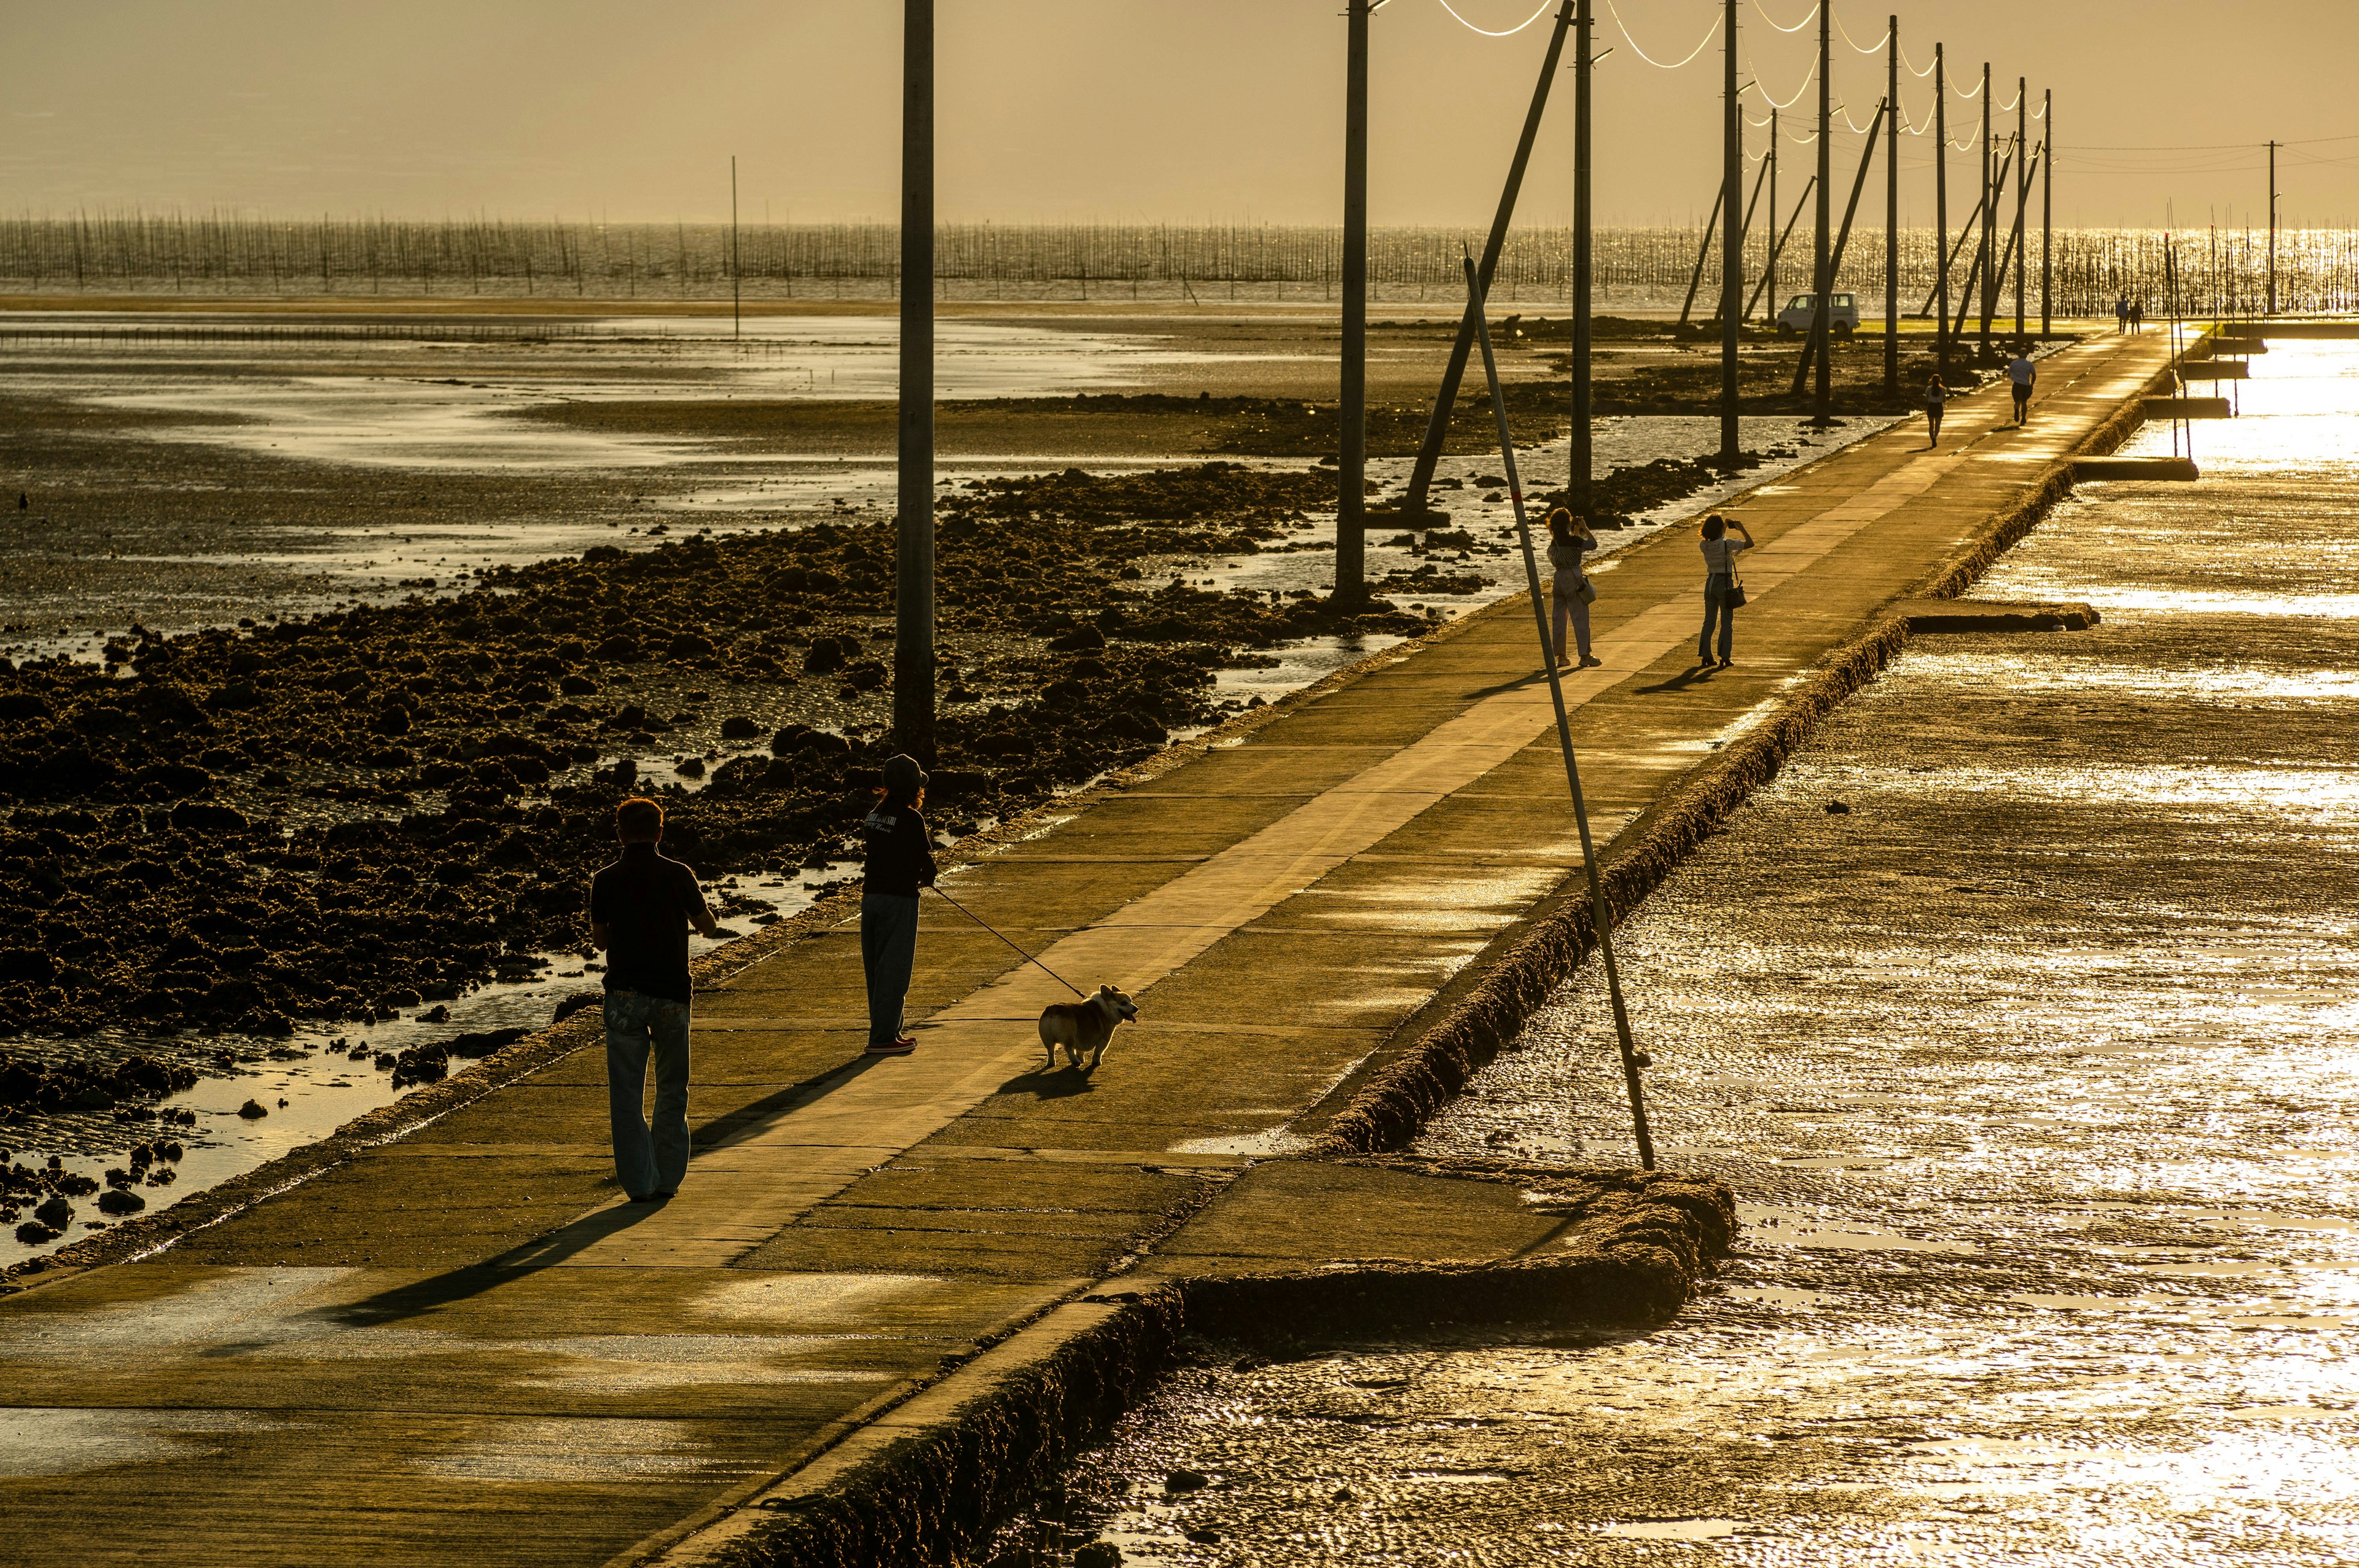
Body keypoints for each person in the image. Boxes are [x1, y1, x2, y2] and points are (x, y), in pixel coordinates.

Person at [590, 795, 721, 1203]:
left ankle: (639, 1182)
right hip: (671, 993)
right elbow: (707, 926)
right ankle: (668, 1176)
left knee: (627, 1094)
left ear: (620, 834)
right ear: (660, 832)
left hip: (625, 993)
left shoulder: (605, 879)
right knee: (672, 1086)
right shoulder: (678, 873)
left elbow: (598, 941)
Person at [859, 753, 936, 1058]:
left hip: (871, 898)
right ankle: (882, 1038)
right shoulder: (911, 818)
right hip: (899, 901)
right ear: (914, 789)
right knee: (895, 969)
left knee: (877, 969)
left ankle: (890, 1030)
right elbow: (924, 863)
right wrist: (927, 878)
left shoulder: (874, 815)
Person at [1544, 507, 1599, 670]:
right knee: (1580, 617)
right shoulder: (1573, 542)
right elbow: (1593, 545)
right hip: (1573, 576)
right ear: (1566, 524)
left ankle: (1561, 657)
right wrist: (1583, 527)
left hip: (1559, 577)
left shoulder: (1556, 542)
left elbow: (1573, 548)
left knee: (1559, 619)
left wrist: (1575, 529)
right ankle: (1585, 655)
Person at [1697, 513, 1753, 669]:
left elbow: (1716, 539)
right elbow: (1750, 544)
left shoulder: (1704, 545)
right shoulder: (1727, 545)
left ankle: (1705, 655)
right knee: (1726, 622)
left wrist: (1723, 526)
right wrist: (1741, 528)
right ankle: (1725, 656)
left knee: (1709, 621)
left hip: (1710, 583)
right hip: (1724, 583)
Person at [2006, 346, 2036, 426]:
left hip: (2017, 385)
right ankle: (2023, 418)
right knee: (2024, 402)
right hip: (2026, 385)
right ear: (2026, 355)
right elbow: (2034, 376)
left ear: (2018, 354)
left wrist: (2013, 377)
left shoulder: (2014, 363)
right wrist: (2032, 384)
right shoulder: (2029, 365)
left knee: (2018, 401)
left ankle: (2016, 409)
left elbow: (2009, 373)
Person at [1924, 374, 1947, 446]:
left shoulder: (1928, 389)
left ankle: (1932, 438)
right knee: (1938, 425)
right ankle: (1935, 437)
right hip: (1939, 407)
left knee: (1931, 425)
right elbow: (1944, 400)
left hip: (1931, 406)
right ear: (1940, 381)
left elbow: (1927, 399)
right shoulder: (1943, 390)